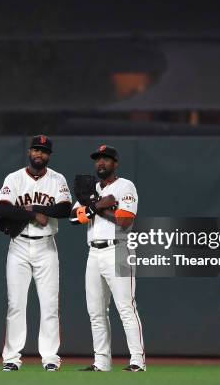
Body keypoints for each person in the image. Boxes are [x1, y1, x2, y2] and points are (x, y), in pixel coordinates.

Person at [0, 135, 72, 372]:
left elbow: (64, 208)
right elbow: (1, 207)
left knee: (49, 304)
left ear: (49, 155)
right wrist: (31, 215)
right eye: (36, 150)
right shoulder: (15, 178)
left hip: (46, 245)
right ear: (29, 152)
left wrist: (36, 208)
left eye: (44, 151)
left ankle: (50, 357)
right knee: (16, 304)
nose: (39, 154)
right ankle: (11, 358)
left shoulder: (57, 179)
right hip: (18, 245)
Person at [70, 145, 146, 372]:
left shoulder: (125, 186)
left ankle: (137, 361)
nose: (100, 163)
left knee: (126, 307)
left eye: (106, 159)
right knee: (96, 311)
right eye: (98, 159)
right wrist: (100, 205)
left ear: (115, 163)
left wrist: (92, 208)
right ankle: (102, 362)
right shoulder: (91, 189)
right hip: (93, 252)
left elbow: (124, 221)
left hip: (118, 249)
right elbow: (74, 219)